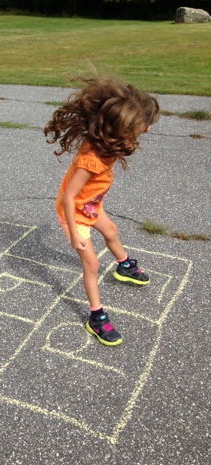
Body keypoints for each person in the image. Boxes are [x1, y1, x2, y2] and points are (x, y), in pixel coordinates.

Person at [44, 75, 160, 346]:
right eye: (144, 126)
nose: (148, 130)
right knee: (92, 264)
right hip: (74, 211)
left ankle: (124, 267)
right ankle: (96, 317)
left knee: (111, 230)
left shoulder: (111, 143)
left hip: (91, 204)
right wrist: (74, 235)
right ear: (124, 129)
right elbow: (69, 197)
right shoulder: (90, 160)